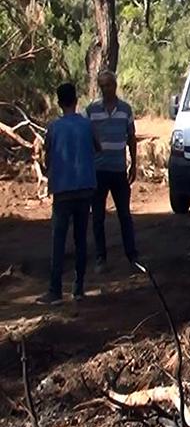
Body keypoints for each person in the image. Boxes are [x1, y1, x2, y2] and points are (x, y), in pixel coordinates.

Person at [37, 83, 97, 305]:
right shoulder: (87, 125)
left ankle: (55, 291)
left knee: (59, 240)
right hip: (84, 187)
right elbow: (97, 147)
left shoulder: (53, 128)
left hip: (62, 189)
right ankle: (79, 288)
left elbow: (47, 157)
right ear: (76, 100)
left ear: (59, 102)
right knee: (80, 239)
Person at [86, 71, 139, 269]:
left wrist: (134, 163)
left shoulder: (125, 109)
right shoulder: (92, 110)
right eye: (102, 86)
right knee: (98, 216)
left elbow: (131, 137)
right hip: (98, 171)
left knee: (124, 214)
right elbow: (85, 137)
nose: (105, 89)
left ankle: (132, 255)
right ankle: (101, 257)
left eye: (108, 85)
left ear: (115, 85)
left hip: (118, 170)